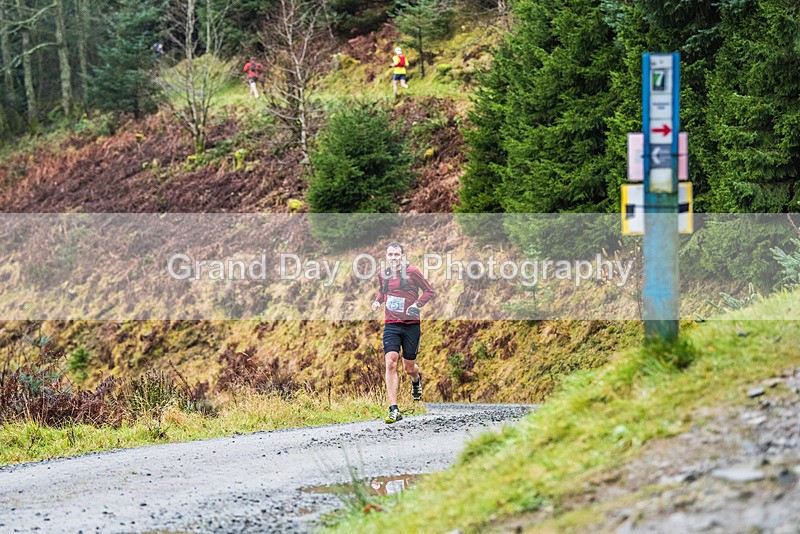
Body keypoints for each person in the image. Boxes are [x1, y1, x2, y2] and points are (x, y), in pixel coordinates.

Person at [371, 242, 435, 424]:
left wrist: (417, 305)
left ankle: (416, 379)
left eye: (396, 254)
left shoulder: (413, 272)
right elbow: (382, 292)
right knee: (390, 363)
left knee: (409, 368)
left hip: (410, 325)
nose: (393, 258)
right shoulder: (382, 274)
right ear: (386, 256)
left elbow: (429, 291)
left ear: (402, 256)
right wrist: (377, 302)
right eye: (390, 255)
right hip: (391, 324)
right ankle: (394, 409)